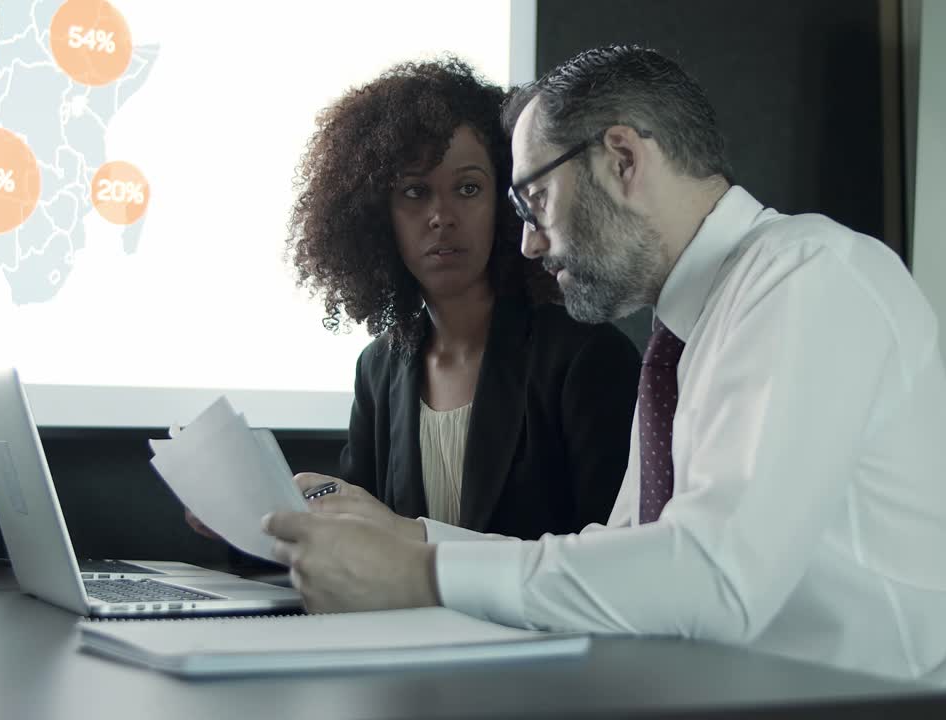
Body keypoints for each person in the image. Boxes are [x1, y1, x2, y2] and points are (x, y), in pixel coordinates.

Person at [263, 46, 946, 688]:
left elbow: (717, 579)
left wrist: (420, 575)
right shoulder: (689, 331)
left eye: (535, 202)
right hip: (765, 689)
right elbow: (622, 557)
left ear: (622, 159)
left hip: (903, 701)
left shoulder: (808, 277)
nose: (527, 244)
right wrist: (410, 538)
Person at [187, 58, 640, 544]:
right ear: (376, 218)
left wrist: (408, 538)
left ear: (510, 202)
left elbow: (610, 562)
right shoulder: (378, 369)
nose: (441, 216)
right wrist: (253, 524)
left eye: (468, 188)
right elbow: (358, 549)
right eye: (414, 192)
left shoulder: (587, 357)